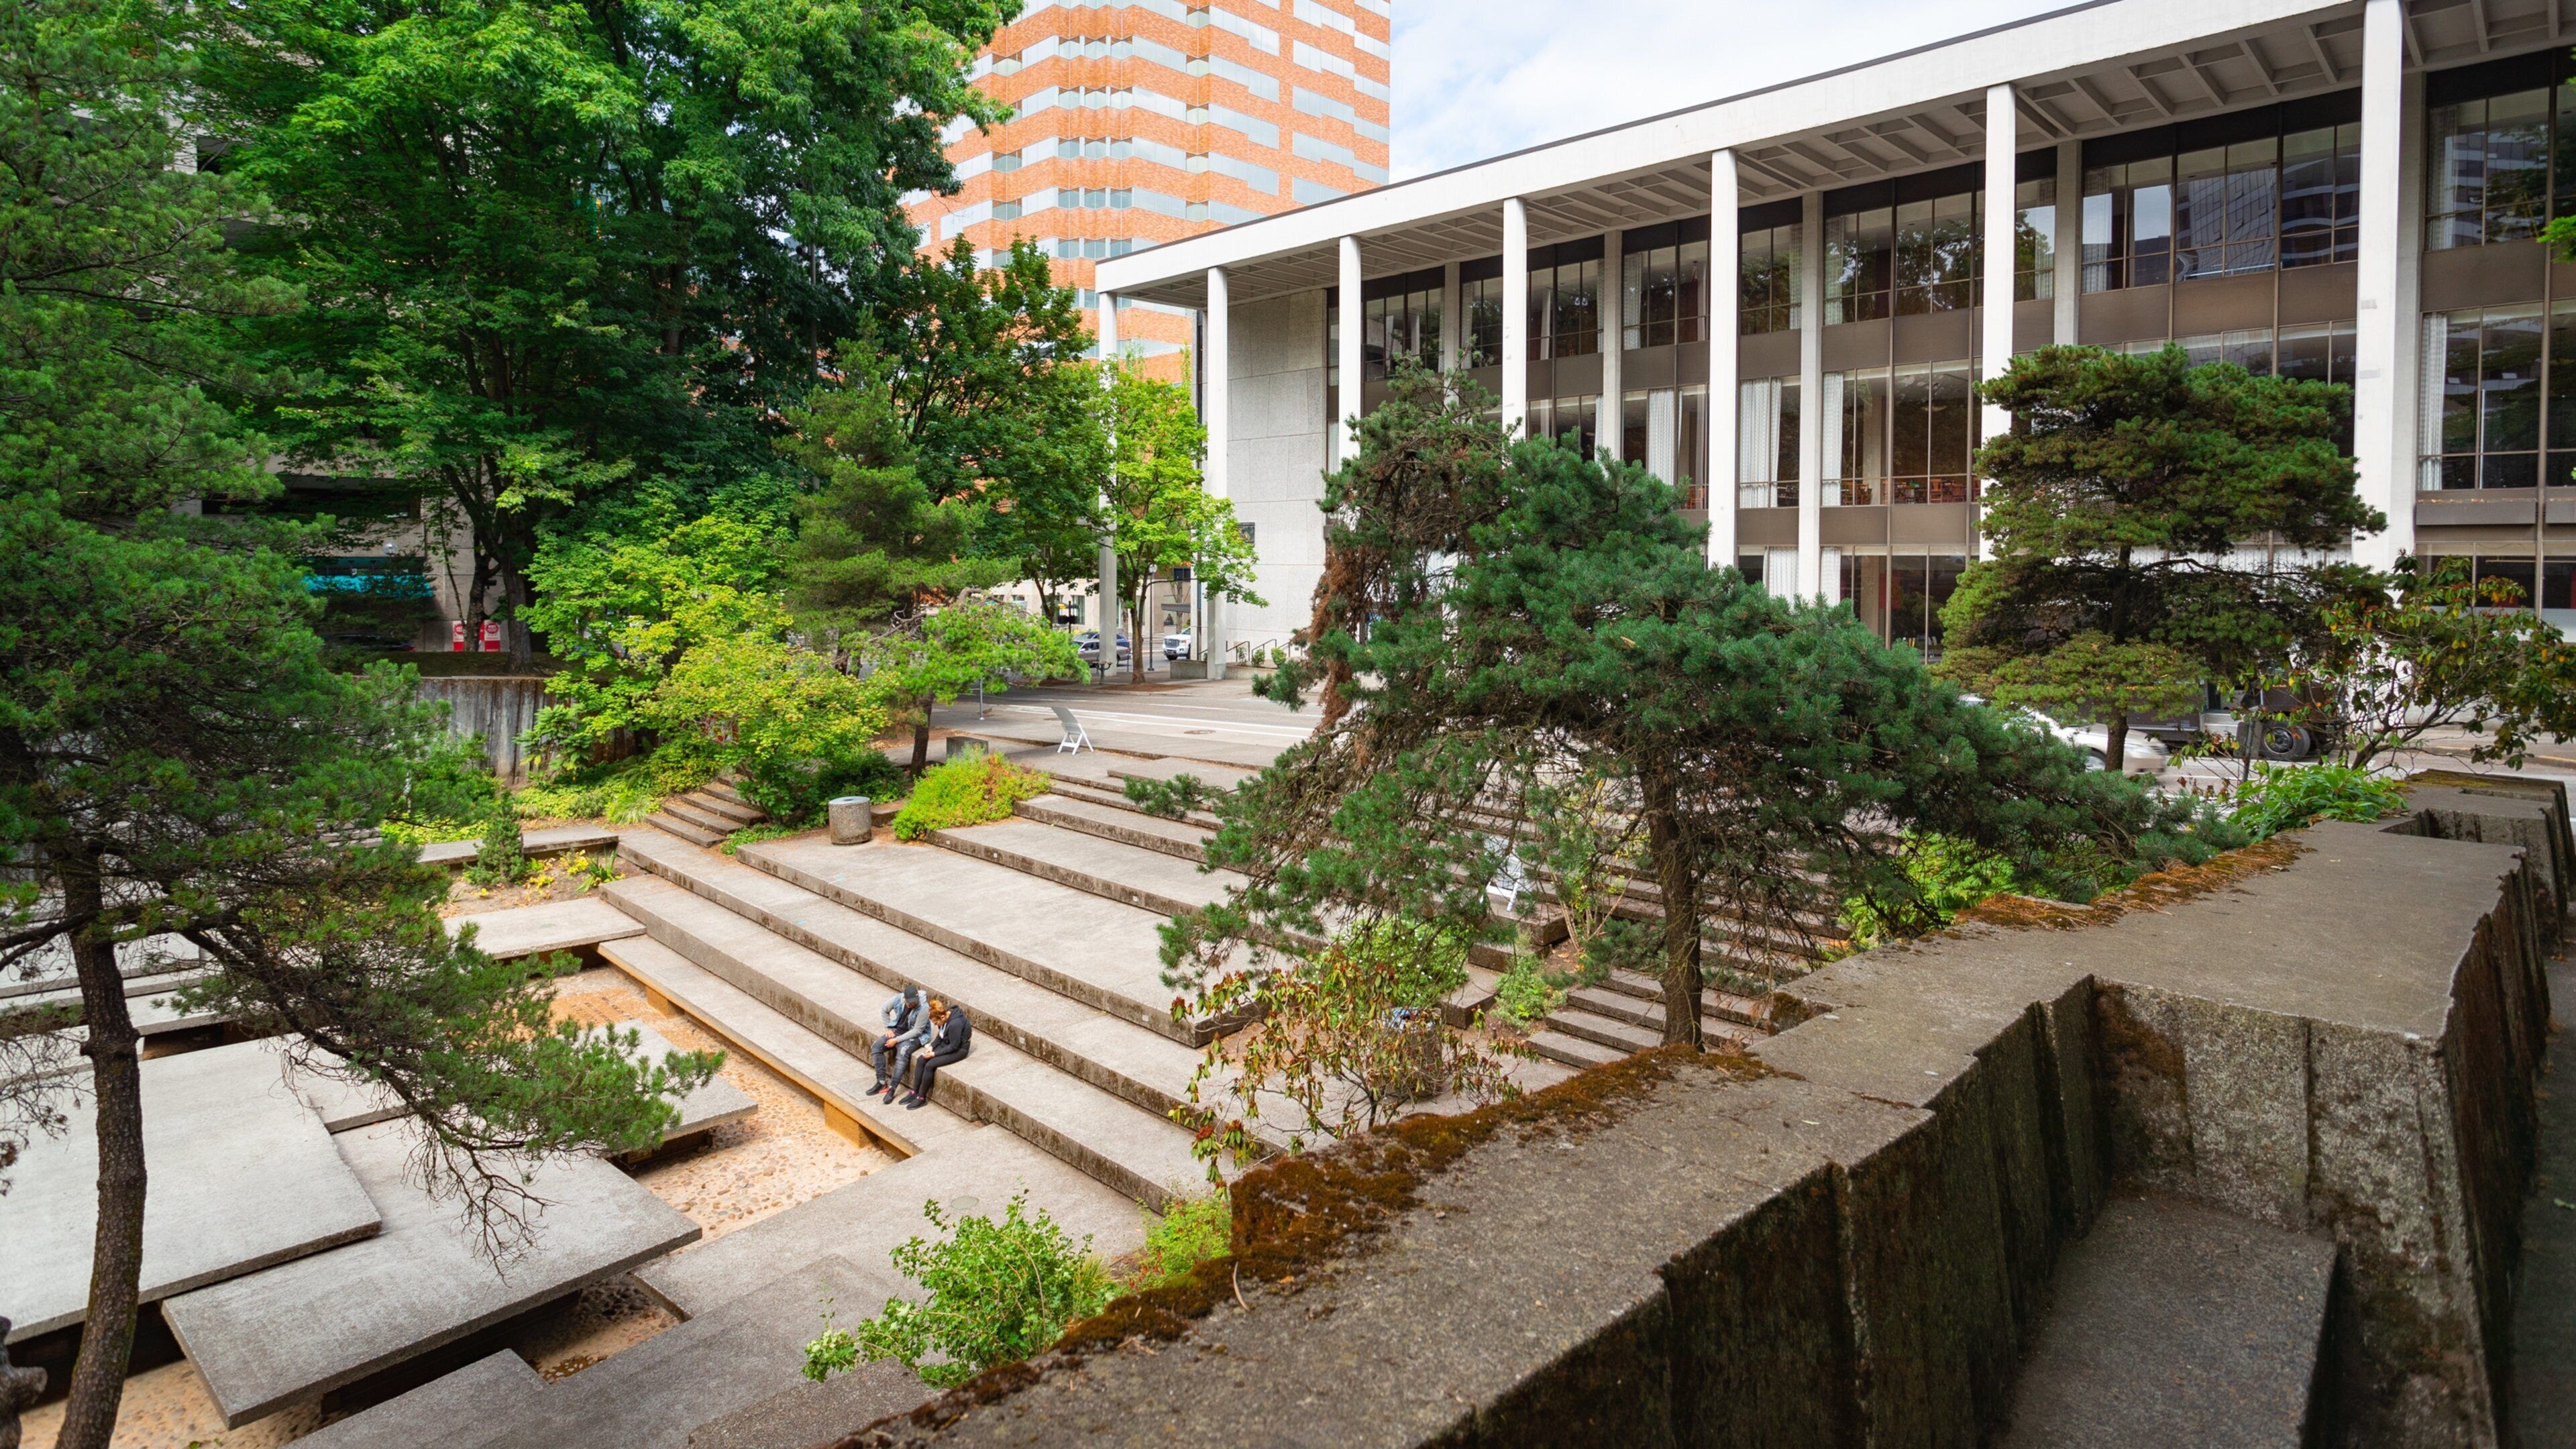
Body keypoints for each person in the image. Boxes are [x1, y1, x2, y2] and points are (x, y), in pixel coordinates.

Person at [900, 1000, 971, 1109]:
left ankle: (922, 1098)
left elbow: (954, 1046)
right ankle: (914, 1092)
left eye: (936, 1023)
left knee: (930, 1065)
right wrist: (932, 1046)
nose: (935, 1024)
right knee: (921, 1059)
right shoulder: (944, 1018)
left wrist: (935, 1054)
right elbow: (940, 1036)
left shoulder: (955, 1024)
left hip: (959, 1050)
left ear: (942, 1018)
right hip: (946, 1043)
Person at [870, 985, 930, 1098]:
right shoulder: (899, 999)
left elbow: (917, 1031)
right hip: (897, 1031)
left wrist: (896, 1040)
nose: (912, 1004)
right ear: (904, 999)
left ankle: (892, 1088)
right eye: (909, 1002)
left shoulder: (924, 1008)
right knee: (876, 1047)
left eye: (914, 1002)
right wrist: (889, 1028)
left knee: (902, 1053)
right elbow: (884, 1009)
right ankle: (881, 1082)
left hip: (915, 1036)